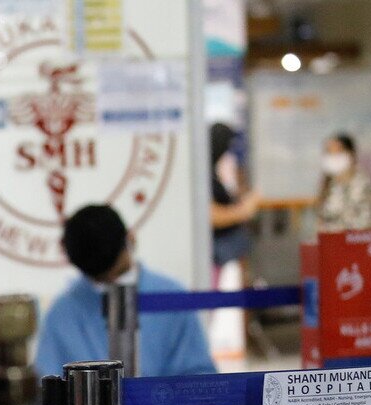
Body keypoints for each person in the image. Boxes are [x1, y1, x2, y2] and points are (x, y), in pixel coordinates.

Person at [36, 204, 217, 378]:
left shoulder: (172, 299)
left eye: (116, 276)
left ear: (131, 239)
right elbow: (46, 388)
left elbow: (201, 378)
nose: (112, 284)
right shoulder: (61, 314)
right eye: (101, 281)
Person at [208, 123, 262, 271]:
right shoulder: (203, 177)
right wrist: (243, 210)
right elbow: (211, 216)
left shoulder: (214, 173)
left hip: (231, 250)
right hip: (221, 254)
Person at [314, 133, 371, 233]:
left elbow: (366, 223)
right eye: (329, 152)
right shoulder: (328, 185)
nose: (333, 156)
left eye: (338, 151)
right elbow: (321, 222)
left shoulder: (363, 184)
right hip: (330, 244)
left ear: (351, 154)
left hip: (354, 243)